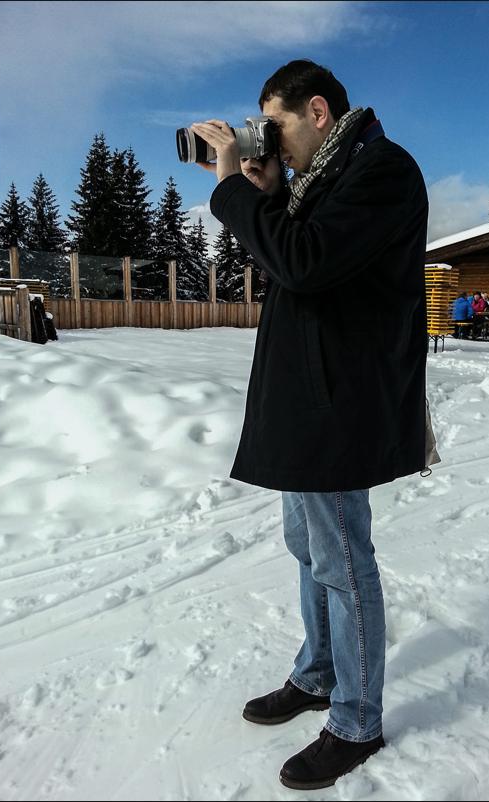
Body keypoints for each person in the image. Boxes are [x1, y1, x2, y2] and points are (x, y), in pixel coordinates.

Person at [189, 59, 429, 791]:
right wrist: (268, 194)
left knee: (342, 560)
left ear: (317, 112)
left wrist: (234, 190)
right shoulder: (326, 178)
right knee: (309, 548)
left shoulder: (382, 170)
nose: (268, 139)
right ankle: (319, 674)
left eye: (276, 124)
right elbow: (296, 258)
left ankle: (357, 720)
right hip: (308, 400)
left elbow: (304, 263)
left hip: (340, 403)